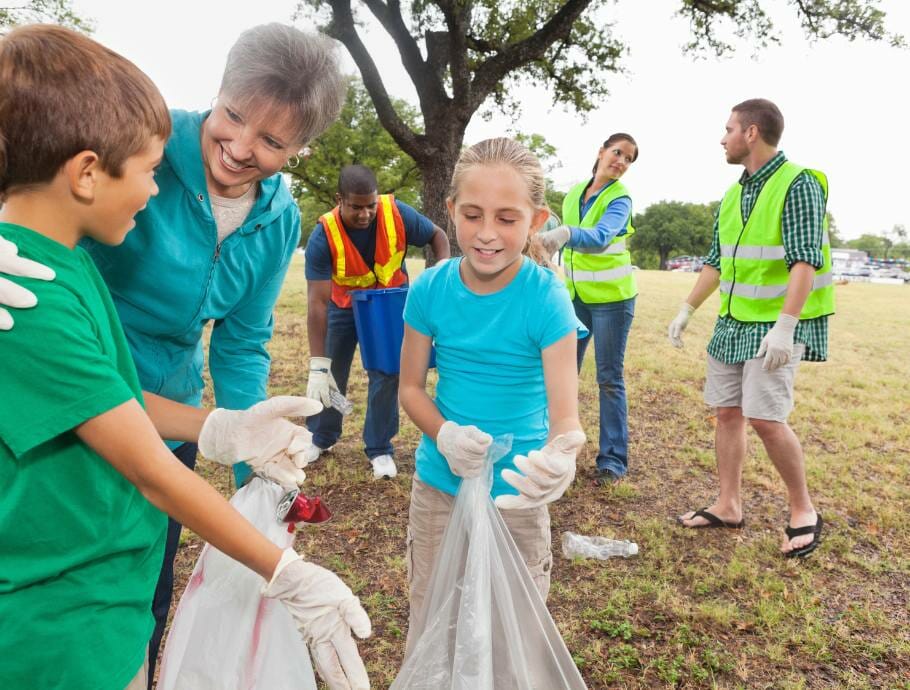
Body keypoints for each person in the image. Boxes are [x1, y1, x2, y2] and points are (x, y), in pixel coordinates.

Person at [0, 24, 370, 690]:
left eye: (271, 141)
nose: (238, 146)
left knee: (144, 567)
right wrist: (282, 571)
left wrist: (235, 438)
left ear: (300, 148)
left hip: (149, 404)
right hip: (64, 397)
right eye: (232, 116)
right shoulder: (129, 137)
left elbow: (239, 340)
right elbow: (24, 149)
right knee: (64, 549)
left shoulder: (275, 217)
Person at [398, 137, 586, 651]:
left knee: (512, 634)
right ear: (451, 209)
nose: (486, 235)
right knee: (433, 620)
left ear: (536, 220)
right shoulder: (430, 287)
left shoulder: (546, 297)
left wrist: (563, 454)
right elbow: (411, 389)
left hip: (517, 496)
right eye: (473, 214)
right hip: (439, 485)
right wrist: (445, 434)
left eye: (507, 218)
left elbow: (565, 417)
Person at [668, 98, 831, 558]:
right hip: (733, 322)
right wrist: (687, 308)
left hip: (773, 325)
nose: (722, 138)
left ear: (752, 133)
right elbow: (718, 260)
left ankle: (804, 511)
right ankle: (728, 504)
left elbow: (805, 259)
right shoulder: (733, 194)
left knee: (765, 417)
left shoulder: (798, 183)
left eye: (728, 129)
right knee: (727, 413)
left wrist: (785, 326)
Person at [304, 164, 450, 479]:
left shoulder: (396, 212)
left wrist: (440, 274)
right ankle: (321, 437)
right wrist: (318, 364)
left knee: (387, 372)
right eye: (356, 206)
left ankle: (380, 448)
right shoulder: (323, 234)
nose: (365, 213)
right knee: (332, 372)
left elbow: (437, 235)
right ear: (339, 199)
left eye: (370, 205)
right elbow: (316, 302)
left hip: (387, 306)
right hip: (343, 307)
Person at [536, 133, 639, 484]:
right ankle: (553, 444)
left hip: (613, 299)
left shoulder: (620, 198)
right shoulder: (574, 194)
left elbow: (599, 238)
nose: (621, 161)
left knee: (609, 378)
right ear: (601, 150)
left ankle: (612, 460)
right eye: (617, 152)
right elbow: (559, 241)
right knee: (562, 371)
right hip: (575, 297)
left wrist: (564, 233)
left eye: (628, 159)